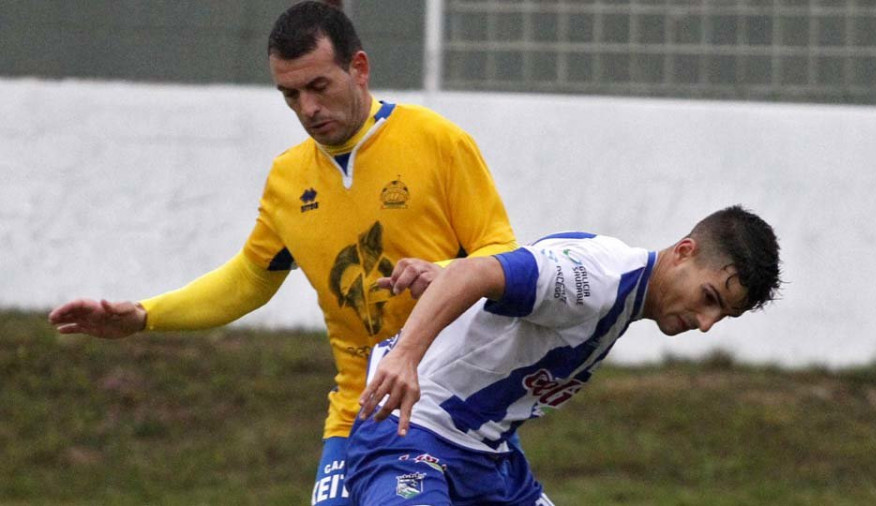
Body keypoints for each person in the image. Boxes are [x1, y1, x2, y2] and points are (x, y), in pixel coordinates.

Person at [47, 2, 517, 505]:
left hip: (453, 409)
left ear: (358, 69)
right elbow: (250, 279)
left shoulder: (438, 142)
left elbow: (503, 259)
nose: (307, 108)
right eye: (290, 95)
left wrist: (441, 271)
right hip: (357, 416)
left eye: (319, 87)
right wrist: (144, 316)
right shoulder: (289, 179)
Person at [346, 205, 782, 505]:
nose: (706, 323)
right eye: (709, 297)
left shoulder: (619, 286)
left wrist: (441, 275)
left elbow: (504, 277)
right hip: (408, 431)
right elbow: (475, 271)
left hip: (487, 458)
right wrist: (404, 356)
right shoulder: (595, 282)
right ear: (684, 251)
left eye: (723, 315)